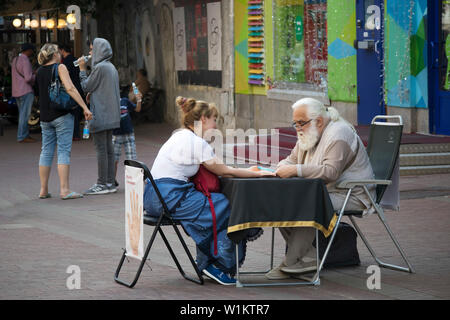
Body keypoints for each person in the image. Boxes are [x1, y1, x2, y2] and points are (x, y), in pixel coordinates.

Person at [144, 96, 274, 285]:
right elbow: (223, 170)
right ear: (203, 120)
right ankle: (218, 265)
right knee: (226, 207)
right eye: (214, 120)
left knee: (215, 204)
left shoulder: (179, 135)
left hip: (152, 197)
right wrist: (255, 172)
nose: (215, 126)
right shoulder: (197, 142)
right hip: (169, 197)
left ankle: (206, 261)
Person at [265, 97, 376, 280]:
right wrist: (281, 167)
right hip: (325, 192)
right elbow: (291, 159)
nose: (298, 128)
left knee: (306, 204)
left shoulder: (339, 133)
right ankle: (307, 256)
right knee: (281, 202)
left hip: (351, 194)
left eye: (301, 123)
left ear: (318, 121)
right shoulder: (309, 133)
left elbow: (330, 172)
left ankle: (291, 262)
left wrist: (295, 170)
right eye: (295, 123)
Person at [35, 43, 92, 200]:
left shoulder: (39, 71)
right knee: (63, 151)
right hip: (61, 115)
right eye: (58, 52)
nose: (60, 53)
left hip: (45, 117)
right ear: (54, 55)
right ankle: (64, 190)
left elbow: (38, 93)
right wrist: (84, 107)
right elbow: (71, 88)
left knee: (46, 150)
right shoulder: (60, 68)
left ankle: (43, 189)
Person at [78, 38, 121, 195]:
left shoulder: (100, 68)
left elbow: (85, 86)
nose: (89, 53)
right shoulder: (110, 67)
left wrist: (82, 70)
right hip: (111, 115)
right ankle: (110, 182)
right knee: (108, 149)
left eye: (91, 50)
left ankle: (101, 183)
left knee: (101, 150)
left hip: (101, 114)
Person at [112, 91, 143, 187]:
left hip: (128, 133)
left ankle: (133, 181)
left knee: (131, 157)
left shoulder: (125, 101)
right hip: (115, 134)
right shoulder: (109, 102)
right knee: (113, 159)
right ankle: (112, 180)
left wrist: (139, 100)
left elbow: (137, 109)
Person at [58, 44, 85, 141]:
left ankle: (70, 135)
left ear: (62, 50)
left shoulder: (63, 63)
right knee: (76, 113)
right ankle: (76, 135)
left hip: (69, 89)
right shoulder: (76, 60)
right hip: (78, 88)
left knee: (69, 113)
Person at [11, 43, 36, 143]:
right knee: (25, 115)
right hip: (25, 90)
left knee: (22, 114)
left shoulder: (15, 59)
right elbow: (28, 78)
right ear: (28, 50)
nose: (32, 53)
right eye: (32, 50)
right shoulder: (25, 60)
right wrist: (35, 75)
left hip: (16, 91)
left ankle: (23, 135)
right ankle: (22, 136)